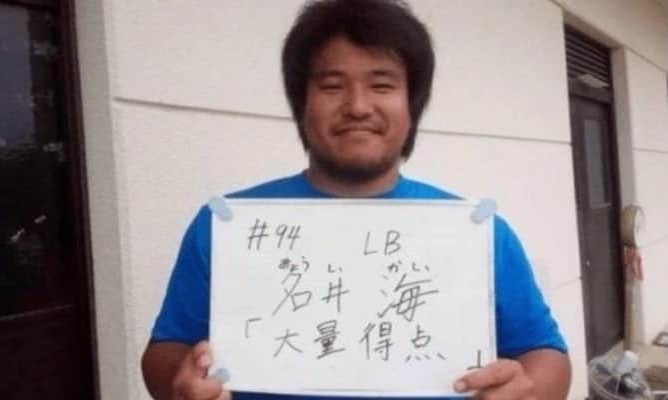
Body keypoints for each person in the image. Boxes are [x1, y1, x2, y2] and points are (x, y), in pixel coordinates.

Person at [141, 0, 572, 399]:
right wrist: (184, 382)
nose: (358, 106)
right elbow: (164, 351)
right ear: (301, 104)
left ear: (411, 105)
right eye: (332, 86)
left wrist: (529, 389)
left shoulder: (478, 232)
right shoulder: (222, 226)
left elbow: (545, 353)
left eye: (382, 85)